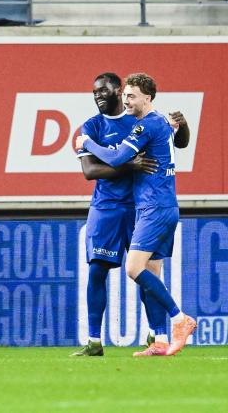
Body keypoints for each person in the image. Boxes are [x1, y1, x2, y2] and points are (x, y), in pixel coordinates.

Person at [75, 73, 197, 357]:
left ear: (121, 92)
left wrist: (89, 145)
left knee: (139, 270)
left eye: (105, 91)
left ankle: (169, 326)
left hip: (146, 208)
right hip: (111, 207)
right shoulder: (92, 126)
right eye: (94, 92)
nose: (98, 96)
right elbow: (90, 172)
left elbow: (179, 142)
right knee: (104, 270)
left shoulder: (141, 122)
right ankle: (100, 340)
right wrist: (130, 165)